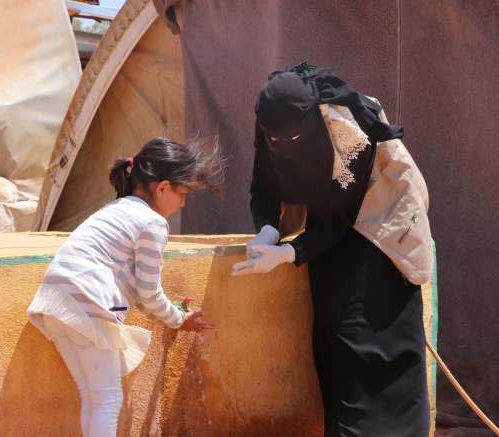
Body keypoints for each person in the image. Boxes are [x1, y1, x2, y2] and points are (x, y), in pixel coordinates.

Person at [233, 62, 433, 436]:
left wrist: (291, 253)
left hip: (379, 229)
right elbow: (263, 187)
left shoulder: (348, 128)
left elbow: (343, 213)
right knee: (333, 335)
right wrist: (267, 231)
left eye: (289, 139)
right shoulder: (273, 124)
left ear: (311, 122)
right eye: (272, 138)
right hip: (327, 229)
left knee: (367, 336)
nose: (280, 145)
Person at [27, 137, 223, 437]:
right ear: (163, 188)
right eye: (184, 193)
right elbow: (148, 292)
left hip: (55, 303)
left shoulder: (118, 209)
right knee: (107, 400)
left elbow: (140, 293)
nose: (183, 202)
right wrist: (179, 319)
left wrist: (172, 313)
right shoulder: (152, 224)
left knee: (94, 397)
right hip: (87, 304)